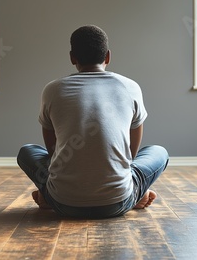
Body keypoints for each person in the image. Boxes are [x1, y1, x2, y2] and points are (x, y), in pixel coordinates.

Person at [17, 25, 169, 219]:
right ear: (107, 56)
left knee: (27, 151)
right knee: (159, 152)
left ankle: (48, 194)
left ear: (72, 57)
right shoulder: (130, 87)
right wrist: (122, 171)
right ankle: (136, 192)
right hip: (117, 202)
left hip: (63, 203)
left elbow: (52, 151)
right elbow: (132, 152)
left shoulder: (52, 89)